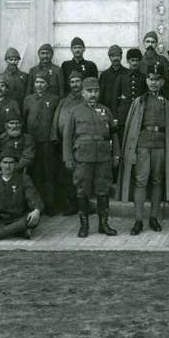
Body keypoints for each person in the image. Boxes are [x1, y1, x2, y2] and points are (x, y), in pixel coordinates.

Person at [121, 64, 169, 234]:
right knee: (141, 181)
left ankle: (154, 218)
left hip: (161, 145)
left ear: (163, 82)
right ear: (146, 80)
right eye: (150, 79)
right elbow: (131, 128)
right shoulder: (138, 101)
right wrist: (132, 151)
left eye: (157, 79)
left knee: (157, 181)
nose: (153, 83)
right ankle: (138, 220)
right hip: (142, 144)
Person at [63, 77, 120, 237]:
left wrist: (116, 154)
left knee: (103, 189)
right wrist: (68, 158)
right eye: (89, 91)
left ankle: (104, 224)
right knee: (83, 190)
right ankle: (84, 226)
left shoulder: (106, 110)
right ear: (82, 93)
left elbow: (113, 135)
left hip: (103, 156)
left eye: (95, 91)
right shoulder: (75, 111)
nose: (93, 94)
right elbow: (67, 137)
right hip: (83, 157)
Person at [23, 73, 60, 215]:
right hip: (32, 142)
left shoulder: (54, 99)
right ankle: (35, 205)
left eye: (42, 82)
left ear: (48, 84)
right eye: (37, 82)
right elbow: (24, 118)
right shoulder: (28, 99)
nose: (39, 85)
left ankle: (50, 205)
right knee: (34, 174)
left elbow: (56, 121)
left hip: (48, 142)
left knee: (48, 173)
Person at [50, 71, 84, 215]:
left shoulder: (85, 99)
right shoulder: (64, 101)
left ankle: (82, 203)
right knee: (67, 173)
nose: (75, 84)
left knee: (81, 173)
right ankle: (70, 203)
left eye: (77, 81)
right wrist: (54, 136)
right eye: (72, 82)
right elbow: (56, 119)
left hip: (81, 142)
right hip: (65, 142)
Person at [113, 48, 147, 143]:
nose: (135, 63)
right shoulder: (121, 77)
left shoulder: (144, 77)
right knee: (123, 140)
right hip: (123, 115)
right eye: (132, 60)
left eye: (137, 60)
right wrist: (115, 117)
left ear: (140, 61)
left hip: (139, 114)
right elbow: (115, 98)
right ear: (128, 61)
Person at [99, 45, 128, 119]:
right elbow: (101, 96)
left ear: (121, 56)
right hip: (108, 112)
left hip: (124, 113)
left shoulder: (127, 73)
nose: (115, 58)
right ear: (109, 57)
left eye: (118, 55)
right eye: (113, 56)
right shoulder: (104, 75)